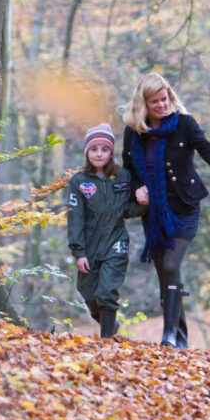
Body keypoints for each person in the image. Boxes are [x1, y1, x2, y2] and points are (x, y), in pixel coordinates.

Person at [122, 72, 210, 349]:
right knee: (165, 275)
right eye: (155, 102)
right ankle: (181, 339)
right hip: (153, 214)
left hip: (185, 208)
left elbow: (208, 150)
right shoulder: (134, 132)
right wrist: (135, 190)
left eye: (164, 99)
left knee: (171, 265)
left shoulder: (184, 124)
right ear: (143, 104)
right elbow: (127, 168)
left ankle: (168, 336)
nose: (162, 105)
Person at [67, 123, 145, 338]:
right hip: (89, 246)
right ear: (87, 152)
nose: (99, 154)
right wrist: (79, 252)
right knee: (88, 292)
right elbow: (75, 218)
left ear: (111, 152)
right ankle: (112, 326)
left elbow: (127, 209)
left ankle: (107, 340)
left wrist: (145, 203)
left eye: (104, 149)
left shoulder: (122, 176)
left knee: (106, 292)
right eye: (94, 149)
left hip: (115, 242)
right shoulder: (79, 182)